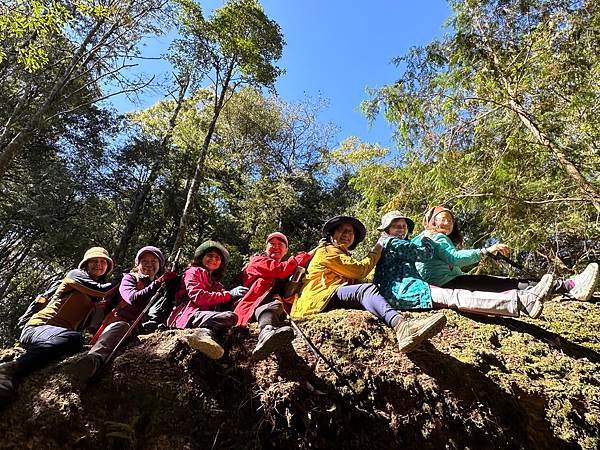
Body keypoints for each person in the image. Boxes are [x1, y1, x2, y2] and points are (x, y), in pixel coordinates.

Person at [291, 216, 447, 353]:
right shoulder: (327, 251)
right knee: (365, 290)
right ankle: (402, 326)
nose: (346, 234)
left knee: (370, 293)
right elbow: (360, 270)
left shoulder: (341, 254)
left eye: (350, 232)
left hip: (330, 295)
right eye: (342, 231)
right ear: (332, 235)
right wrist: (377, 248)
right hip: (319, 297)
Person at [374, 211, 555, 318]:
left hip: (411, 289)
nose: (401, 230)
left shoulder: (392, 245)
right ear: (387, 230)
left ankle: (526, 297)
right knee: (459, 296)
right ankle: (523, 299)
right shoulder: (394, 243)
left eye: (404, 226)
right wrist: (428, 238)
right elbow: (431, 255)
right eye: (396, 226)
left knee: (467, 292)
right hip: (408, 292)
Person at [0, 247, 119, 404]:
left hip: (58, 336)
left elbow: (93, 325)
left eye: (103, 262)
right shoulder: (75, 276)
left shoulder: (96, 299)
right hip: (38, 327)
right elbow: (102, 290)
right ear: (86, 264)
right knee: (74, 338)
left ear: (107, 267)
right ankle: (9, 368)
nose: (99, 264)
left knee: (74, 340)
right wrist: (122, 278)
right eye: (94, 261)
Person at [412, 206, 599, 302]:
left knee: (496, 283)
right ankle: (568, 286)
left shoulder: (420, 240)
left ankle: (559, 290)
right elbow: (454, 258)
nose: (447, 223)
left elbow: (453, 264)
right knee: (507, 283)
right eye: (443, 219)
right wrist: (485, 251)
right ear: (430, 222)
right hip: (448, 284)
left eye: (450, 221)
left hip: (441, 286)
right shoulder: (436, 237)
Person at [71, 246, 178, 381]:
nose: (149, 265)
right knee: (121, 326)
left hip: (139, 329)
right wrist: (157, 283)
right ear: (137, 264)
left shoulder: (161, 285)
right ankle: (93, 360)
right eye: (144, 261)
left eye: (153, 261)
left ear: (159, 265)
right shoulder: (129, 278)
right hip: (118, 322)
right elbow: (132, 298)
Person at [234, 232, 314, 360]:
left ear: (286, 250)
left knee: (275, 306)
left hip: (268, 310)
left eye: (280, 244)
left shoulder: (287, 276)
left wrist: (285, 301)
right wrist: (306, 255)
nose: (276, 247)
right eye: (272, 244)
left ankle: (267, 333)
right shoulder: (258, 261)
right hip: (249, 311)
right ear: (266, 248)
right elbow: (280, 270)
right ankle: (265, 334)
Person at [166, 240, 247, 359]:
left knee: (232, 317)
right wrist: (229, 294)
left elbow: (223, 300)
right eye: (209, 255)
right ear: (201, 257)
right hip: (188, 315)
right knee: (228, 317)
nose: (213, 259)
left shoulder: (216, 284)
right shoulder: (193, 271)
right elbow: (198, 297)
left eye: (218, 257)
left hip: (205, 316)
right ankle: (201, 335)